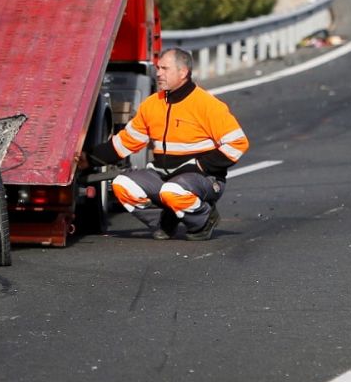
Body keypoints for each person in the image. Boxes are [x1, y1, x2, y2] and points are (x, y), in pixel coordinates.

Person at [82, 47, 248, 240]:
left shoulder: (207, 104)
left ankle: (203, 220)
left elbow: (238, 143)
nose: (158, 73)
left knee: (173, 191)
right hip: (163, 177)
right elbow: (126, 142)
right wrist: (89, 159)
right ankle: (164, 221)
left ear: (183, 72)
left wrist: (199, 166)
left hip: (203, 179)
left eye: (165, 69)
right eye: (158, 68)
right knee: (121, 185)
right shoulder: (151, 105)